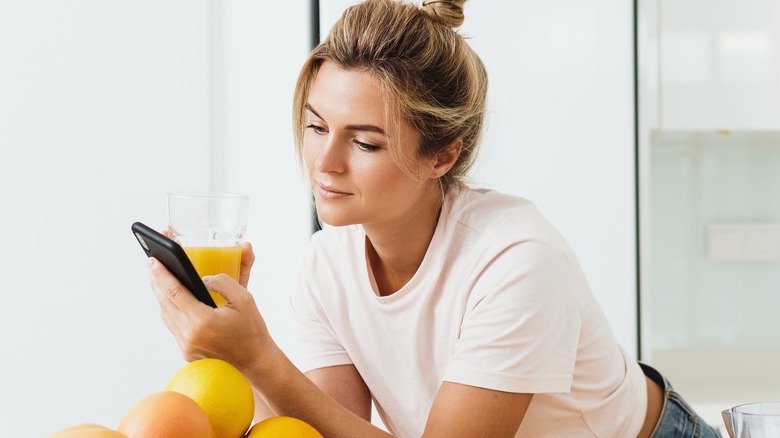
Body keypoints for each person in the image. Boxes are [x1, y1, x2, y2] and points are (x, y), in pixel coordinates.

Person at [147, 0, 720, 436]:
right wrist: (225, 349)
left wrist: (257, 353)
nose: (324, 163)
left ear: (442, 155)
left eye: (365, 143)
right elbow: (326, 425)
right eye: (317, 127)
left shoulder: (516, 262)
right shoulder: (327, 264)